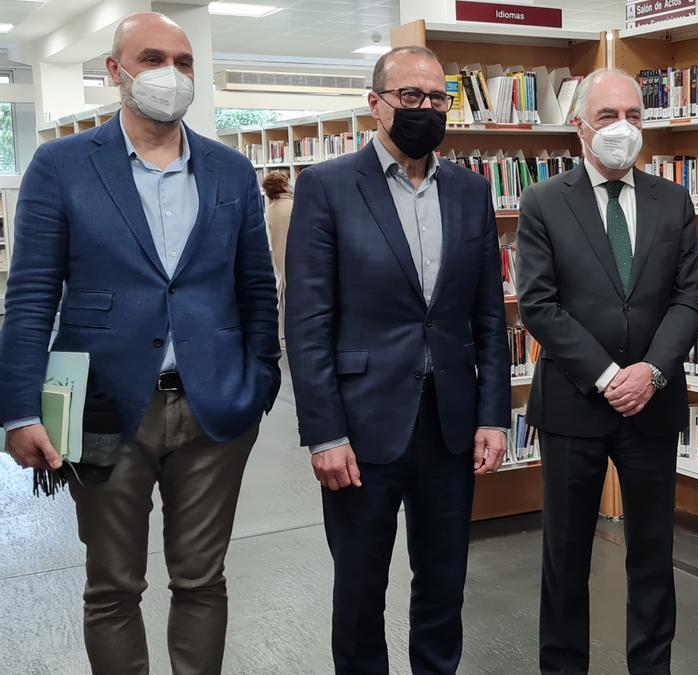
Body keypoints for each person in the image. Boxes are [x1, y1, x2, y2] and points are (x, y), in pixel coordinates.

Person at [0, 12, 281, 675]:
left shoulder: (230, 172)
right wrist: (18, 409)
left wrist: (262, 377)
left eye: (184, 62)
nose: (171, 74)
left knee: (202, 578)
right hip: (99, 406)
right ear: (114, 71)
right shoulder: (61, 166)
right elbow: (31, 293)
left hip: (214, 408)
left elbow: (258, 286)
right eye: (153, 58)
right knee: (112, 585)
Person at [285, 46, 510, 675]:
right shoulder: (326, 187)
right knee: (359, 590)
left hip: (450, 427)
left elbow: (489, 317)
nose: (425, 108)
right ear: (375, 103)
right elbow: (306, 324)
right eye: (410, 96)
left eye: (438, 98)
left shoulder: (470, 190)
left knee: (444, 585)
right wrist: (323, 432)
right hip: (360, 429)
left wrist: (493, 417)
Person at [517, 68, 698, 675]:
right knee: (565, 556)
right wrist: (606, 375)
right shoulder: (544, 201)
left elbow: (688, 301)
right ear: (579, 127)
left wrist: (648, 372)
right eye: (607, 116)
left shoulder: (672, 200)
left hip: (651, 404)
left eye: (634, 115)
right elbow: (539, 305)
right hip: (575, 405)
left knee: (652, 553)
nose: (622, 128)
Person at [263, 170, 293, 339]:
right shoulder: (294, 205)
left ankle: (283, 333)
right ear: (283, 186)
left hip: (279, 255)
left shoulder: (271, 209)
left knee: (283, 291)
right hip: (295, 256)